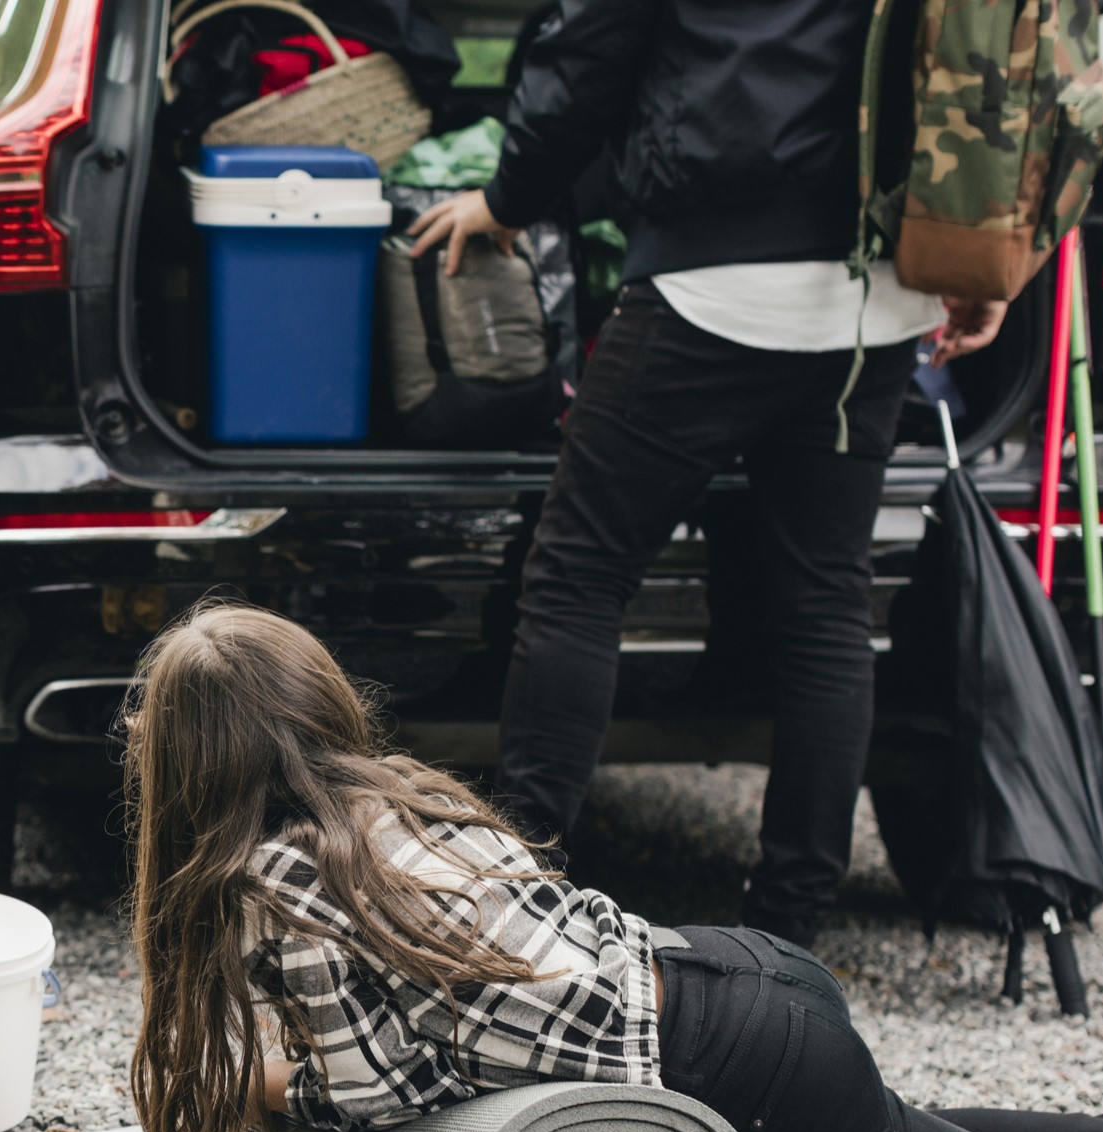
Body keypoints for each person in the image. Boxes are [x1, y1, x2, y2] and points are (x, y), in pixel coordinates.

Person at [124, 605, 1103, 1132]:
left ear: (176, 763)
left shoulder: (278, 880)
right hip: (731, 982)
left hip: (731, 1052)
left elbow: (377, 1091)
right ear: (321, 705)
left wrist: (274, 1083)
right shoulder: (393, 797)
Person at [404, 0, 1010, 947]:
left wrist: (509, 196)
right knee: (825, 608)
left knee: (578, 574)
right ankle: (787, 936)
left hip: (712, 282)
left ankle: (516, 915)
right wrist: (984, 258)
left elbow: (585, 55)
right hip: (880, 294)